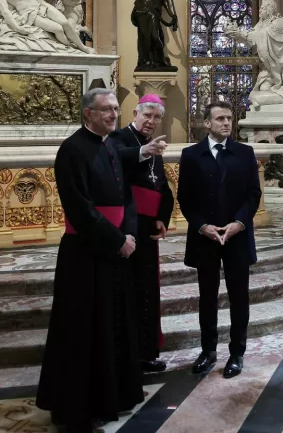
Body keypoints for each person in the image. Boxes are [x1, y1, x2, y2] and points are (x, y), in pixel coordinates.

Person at [36, 88, 167, 432]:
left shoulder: (110, 144)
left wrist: (129, 234)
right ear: (87, 114)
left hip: (114, 250)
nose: (113, 114)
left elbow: (124, 197)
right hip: (85, 254)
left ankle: (114, 395)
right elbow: (80, 209)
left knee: (112, 325)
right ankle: (79, 406)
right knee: (85, 330)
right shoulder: (72, 150)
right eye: (106, 110)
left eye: (114, 109)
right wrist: (116, 240)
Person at [177, 101, 262, 379]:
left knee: (239, 298)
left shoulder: (244, 153)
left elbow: (253, 194)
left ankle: (237, 353)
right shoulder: (191, 155)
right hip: (206, 237)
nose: (226, 123)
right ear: (207, 123)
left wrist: (239, 222)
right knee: (207, 298)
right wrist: (202, 226)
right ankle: (208, 351)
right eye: (220, 118)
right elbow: (185, 198)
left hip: (237, 236)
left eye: (229, 118)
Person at [110, 94, 175, 373]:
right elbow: (115, 158)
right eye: (147, 115)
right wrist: (145, 151)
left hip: (148, 227)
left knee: (148, 289)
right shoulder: (118, 138)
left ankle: (147, 352)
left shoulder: (154, 146)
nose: (151, 121)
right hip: (126, 228)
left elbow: (161, 185)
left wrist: (162, 217)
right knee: (131, 290)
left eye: (157, 117)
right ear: (135, 112)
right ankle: (128, 354)